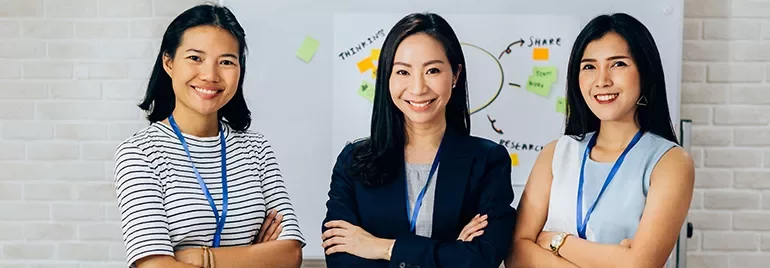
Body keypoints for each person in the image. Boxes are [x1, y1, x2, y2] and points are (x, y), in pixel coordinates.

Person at [112, 4, 304, 268]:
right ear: (168, 62)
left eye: (226, 61)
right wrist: (254, 257)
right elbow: (154, 265)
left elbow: (290, 255)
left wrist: (201, 257)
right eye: (195, 58)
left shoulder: (256, 149)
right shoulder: (139, 153)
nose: (210, 75)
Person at [321, 12, 516, 268]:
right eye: (403, 72)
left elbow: (481, 259)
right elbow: (341, 259)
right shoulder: (353, 161)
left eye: (432, 70)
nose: (417, 88)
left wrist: (382, 247)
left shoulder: (488, 161)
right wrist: (451, 251)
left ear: (456, 75)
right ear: (387, 78)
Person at [505, 13, 694, 268]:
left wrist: (556, 241)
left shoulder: (670, 162)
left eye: (618, 64)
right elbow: (516, 253)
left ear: (645, 72)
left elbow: (640, 264)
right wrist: (616, 257)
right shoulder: (556, 153)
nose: (602, 80)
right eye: (589, 67)